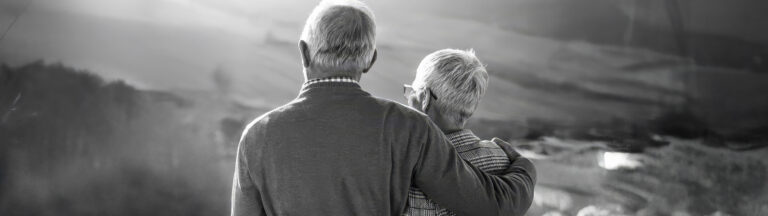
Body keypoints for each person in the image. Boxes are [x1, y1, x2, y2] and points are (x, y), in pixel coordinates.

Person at [230, 0, 536, 215]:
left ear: (304, 53)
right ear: (371, 59)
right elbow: (490, 205)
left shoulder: (257, 137)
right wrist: (524, 168)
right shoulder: (408, 127)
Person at [403, 49, 525, 215]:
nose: (408, 99)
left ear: (424, 97)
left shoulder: (407, 171)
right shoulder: (503, 160)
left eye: (412, 92)